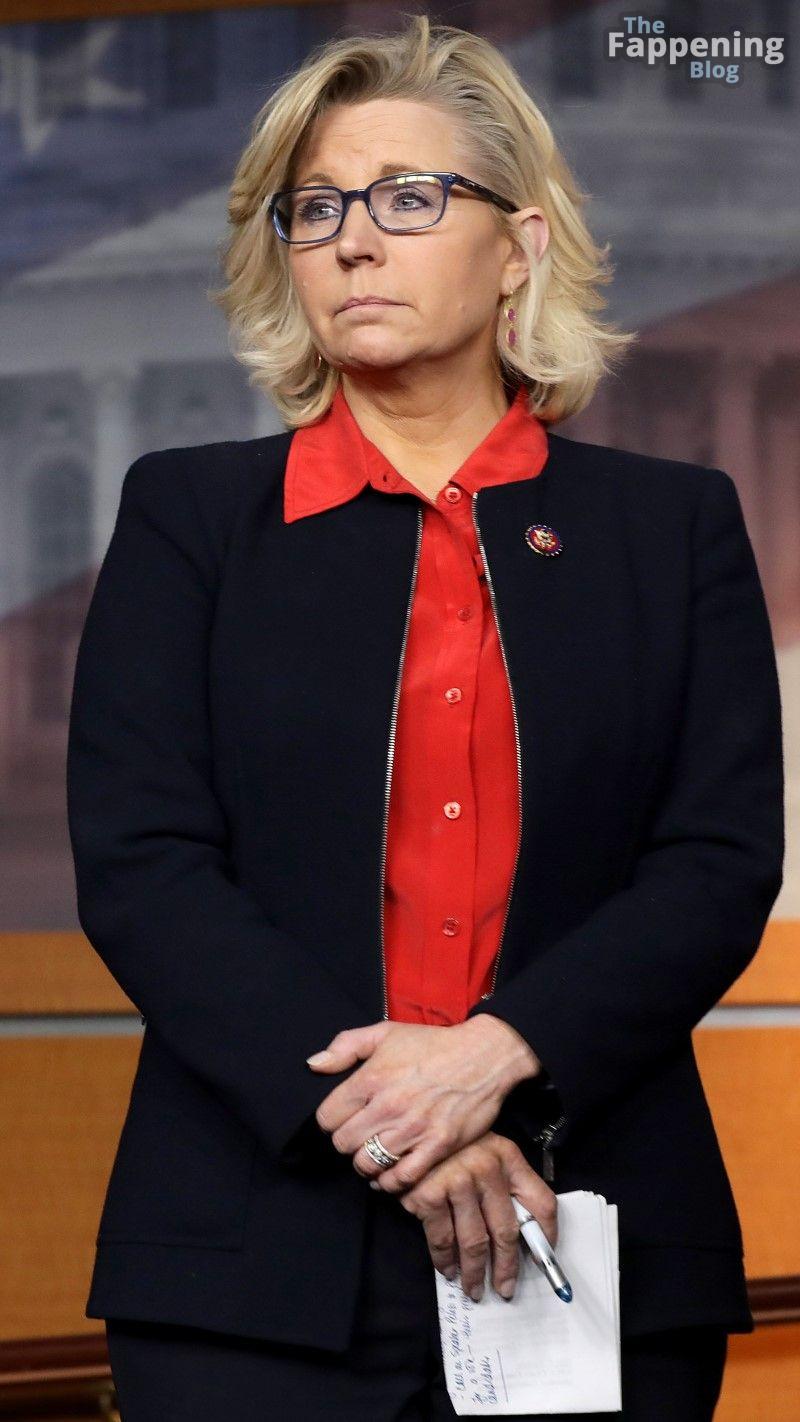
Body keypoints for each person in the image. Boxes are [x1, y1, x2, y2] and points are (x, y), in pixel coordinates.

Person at [66, 15, 784, 1421]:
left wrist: (497, 1058)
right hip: (249, 1270)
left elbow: (714, 864)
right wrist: (413, 1120)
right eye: (316, 208)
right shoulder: (189, 515)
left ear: (519, 245)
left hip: (592, 1240)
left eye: (407, 198)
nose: (352, 242)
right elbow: (144, 863)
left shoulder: (671, 528)